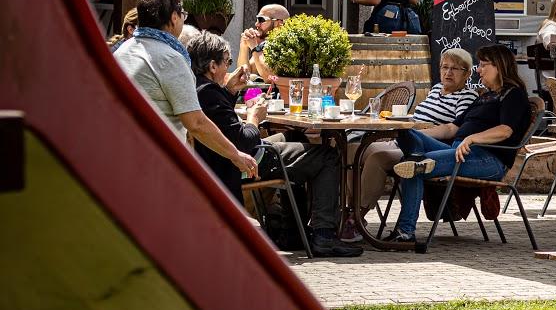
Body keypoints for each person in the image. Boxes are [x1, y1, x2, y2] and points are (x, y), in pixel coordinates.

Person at [188, 32, 361, 258]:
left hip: (229, 157)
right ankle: (324, 235)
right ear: (213, 66)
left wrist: (229, 91)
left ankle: (291, 231)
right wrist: (254, 117)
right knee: (327, 156)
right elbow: (243, 139)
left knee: (294, 139)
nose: (229, 68)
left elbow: (225, 126)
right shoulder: (209, 94)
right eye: (227, 62)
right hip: (243, 161)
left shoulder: (199, 87)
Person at [115, 0, 258, 183]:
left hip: (120, 152)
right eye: (182, 13)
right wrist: (235, 154)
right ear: (174, 17)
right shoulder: (170, 58)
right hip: (154, 163)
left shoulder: (124, 49)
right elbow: (196, 123)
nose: (184, 18)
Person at [385, 45, 530, 243]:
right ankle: (417, 159)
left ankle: (405, 231)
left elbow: (505, 130)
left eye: (483, 65)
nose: (478, 70)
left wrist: (472, 138)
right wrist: (412, 131)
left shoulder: (513, 94)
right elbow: (451, 129)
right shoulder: (485, 96)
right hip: (458, 151)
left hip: (488, 159)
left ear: (499, 66)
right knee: (405, 134)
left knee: (412, 167)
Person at [353, 47, 478, 216]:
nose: (448, 72)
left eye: (455, 68)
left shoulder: (467, 96)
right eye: (444, 67)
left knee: (377, 158)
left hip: (423, 147)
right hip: (404, 137)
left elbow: (453, 129)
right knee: (351, 150)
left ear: (467, 74)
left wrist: (414, 133)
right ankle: (350, 207)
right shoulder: (436, 89)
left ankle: (357, 216)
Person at [237, 3, 289, 79]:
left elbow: (270, 77)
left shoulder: (287, 47)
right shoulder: (264, 46)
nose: (256, 24)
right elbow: (244, 75)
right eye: (257, 19)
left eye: (261, 19)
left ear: (279, 24)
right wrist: (244, 46)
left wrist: (255, 48)